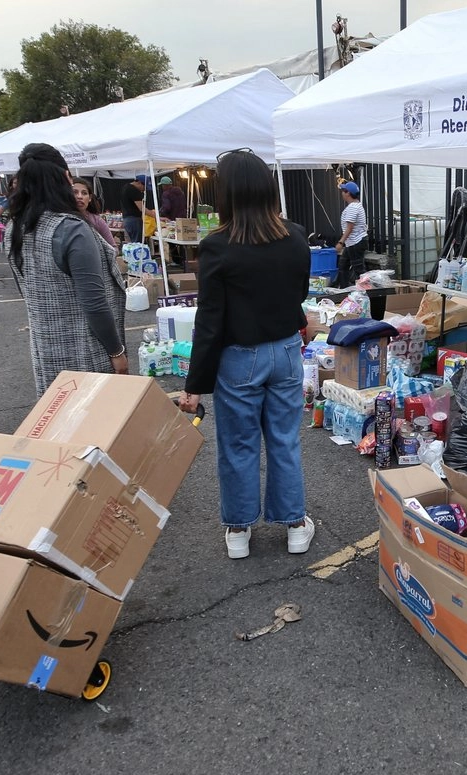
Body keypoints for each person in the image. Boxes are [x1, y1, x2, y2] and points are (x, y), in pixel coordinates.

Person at [175, 148, 315, 560]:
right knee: (285, 440)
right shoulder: (296, 235)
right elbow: (300, 295)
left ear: (228, 193)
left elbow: (210, 322)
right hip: (287, 350)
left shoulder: (217, 245)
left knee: (239, 445)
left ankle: (238, 530)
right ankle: (293, 525)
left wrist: (194, 386)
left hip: (240, 357)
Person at [7, 143, 128, 397]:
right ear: (65, 177)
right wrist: (116, 352)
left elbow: (26, 289)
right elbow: (95, 304)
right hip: (85, 350)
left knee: (58, 420)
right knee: (93, 422)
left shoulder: (15, 228)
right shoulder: (72, 229)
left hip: (46, 350)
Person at [334, 180, 367, 288]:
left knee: (359, 270)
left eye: (343, 191)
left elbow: (350, 227)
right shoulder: (357, 205)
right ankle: (344, 288)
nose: (342, 193)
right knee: (343, 266)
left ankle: (367, 292)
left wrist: (340, 242)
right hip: (353, 242)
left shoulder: (353, 207)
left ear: (347, 193)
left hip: (355, 242)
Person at [72, 177, 116, 247]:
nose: (80, 196)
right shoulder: (60, 221)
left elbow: (114, 248)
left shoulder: (97, 221)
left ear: (90, 198)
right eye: (75, 192)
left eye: (84, 193)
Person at [121, 174, 146, 244]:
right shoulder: (134, 190)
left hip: (127, 220)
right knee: (137, 244)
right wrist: (155, 215)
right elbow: (142, 208)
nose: (144, 190)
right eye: (144, 187)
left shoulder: (125, 187)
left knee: (131, 244)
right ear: (139, 183)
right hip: (134, 220)